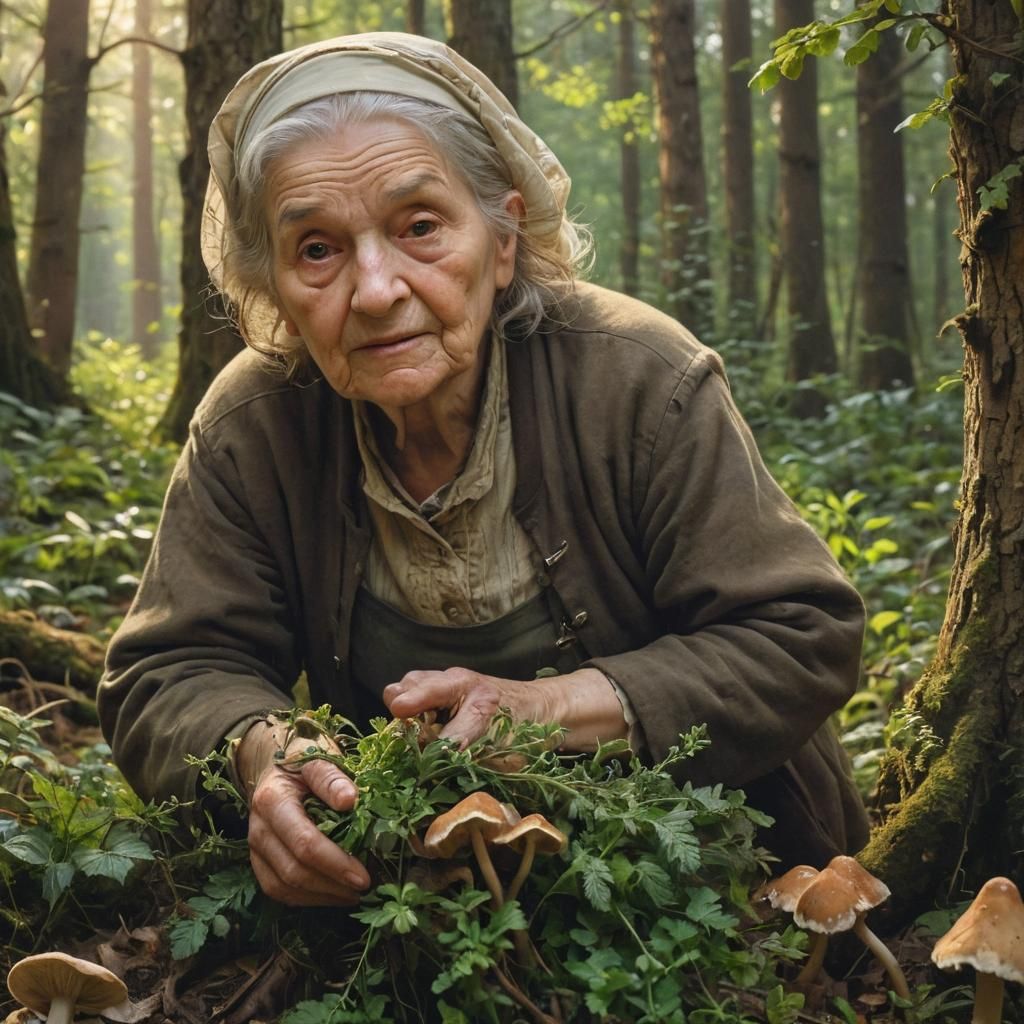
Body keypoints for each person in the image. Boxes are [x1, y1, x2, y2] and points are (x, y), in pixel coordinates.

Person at [98, 32, 869, 909]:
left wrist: (550, 707)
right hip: (411, 903)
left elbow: (803, 634)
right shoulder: (253, 426)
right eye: (316, 249)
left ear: (501, 241)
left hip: (728, 887)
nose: (378, 287)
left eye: (420, 227)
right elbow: (168, 670)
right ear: (271, 285)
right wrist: (261, 750)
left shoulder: (639, 379)